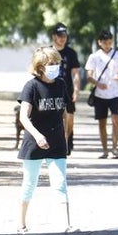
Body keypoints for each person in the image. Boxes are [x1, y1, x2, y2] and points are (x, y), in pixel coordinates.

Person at [17, 46, 72, 233]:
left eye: (57, 63)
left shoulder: (61, 84)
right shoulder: (31, 87)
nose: (55, 67)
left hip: (57, 141)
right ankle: (21, 223)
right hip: (34, 141)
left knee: (60, 182)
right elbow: (23, 117)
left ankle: (66, 224)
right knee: (29, 183)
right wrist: (37, 135)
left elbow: (65, 112)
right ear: (40, 67)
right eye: (51, 64)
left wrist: (67, 134)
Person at [85, 29, 118, 159]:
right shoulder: (94, 57)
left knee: (116, 119)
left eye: (110, 42)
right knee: (102, 122)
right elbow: (89, 76)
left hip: (115, 92)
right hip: (100, 94)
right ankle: (105, 150)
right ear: (100, 42)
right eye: (105, 43)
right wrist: (98, 84)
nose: (108, 45)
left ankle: (115, 148)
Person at [50, 23, 81, 153]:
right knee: (51, 118)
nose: (62, 38)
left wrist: (76, 89)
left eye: (64, 36)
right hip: (50, 90)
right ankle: (54, 144)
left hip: (66, 90)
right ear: (54, 36)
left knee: (69, 118)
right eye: (59, 36)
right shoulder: (48, 52)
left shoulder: (71, 53)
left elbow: (75, 73)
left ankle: (67, 142)